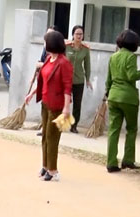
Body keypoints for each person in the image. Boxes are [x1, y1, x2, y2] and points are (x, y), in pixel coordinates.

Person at [25, 30, 73, 181]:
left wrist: (66, 108)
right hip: (45, 102)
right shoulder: (48, 59)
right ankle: (45, 165)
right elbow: (43, 80)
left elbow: (67, 86)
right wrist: (32, 93)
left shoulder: (64, 63)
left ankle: (53, 170)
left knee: (53, 138)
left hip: (57, 105)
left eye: (46, 42)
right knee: (45, 136)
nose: (44, 45)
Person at [105, 29, 140, 173]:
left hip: (113, 96)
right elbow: (132, 76)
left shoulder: (113, 57)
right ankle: (128, 160)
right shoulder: (131, 57)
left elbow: (108, 79)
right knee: (131, 129)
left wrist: (108, 95)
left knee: (113, 130)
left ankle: (111, 163)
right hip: (128, 98)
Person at [65, 25, 92, 133]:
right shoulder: (66, 47)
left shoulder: (85, 50)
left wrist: (88, 79)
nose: (79, 36)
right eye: (77, 34)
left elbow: (87, 65)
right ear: (73, 35)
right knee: (64, 102)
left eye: (81, 34)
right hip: (66, 79)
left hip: (78, 80)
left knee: (77, 104)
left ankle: (74, 125)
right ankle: (62, 123)